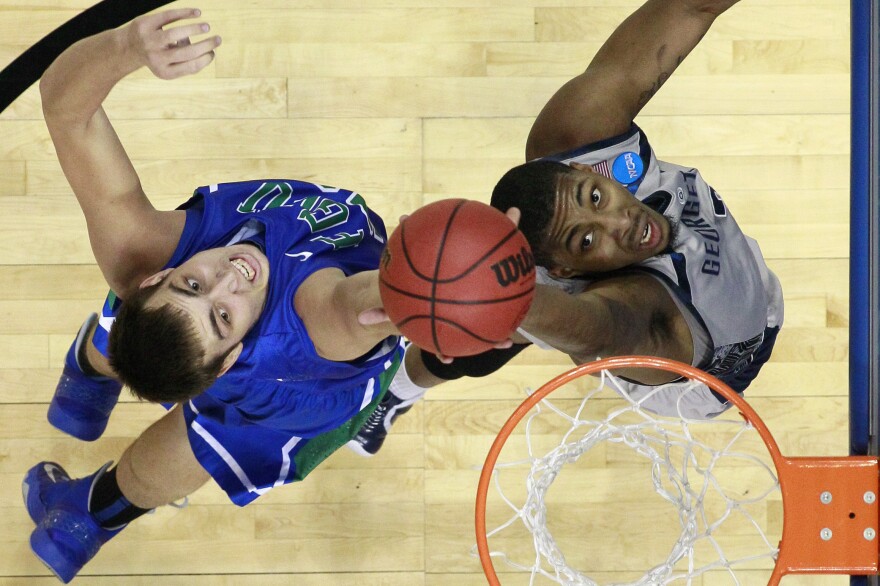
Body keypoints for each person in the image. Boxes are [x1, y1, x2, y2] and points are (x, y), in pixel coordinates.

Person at [24, 9, 427, 582]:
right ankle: (86, 516)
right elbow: (371, 304)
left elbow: (65, 109)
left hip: (241, 359)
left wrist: (125, 47)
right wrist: (419, 273)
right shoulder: (322, 320)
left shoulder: (140, 253)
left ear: (155, 277)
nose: (228, 278)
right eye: (219, 314)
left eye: (191, 283)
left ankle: (83, 395)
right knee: (211, 441)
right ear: (230, 356)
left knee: (149, 337)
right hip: (317, 400)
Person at [347, 0, 783, 456]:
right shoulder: (646, 316)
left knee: (498, 312)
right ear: (567, 270)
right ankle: (399, 387)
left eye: (594, 196)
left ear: (580, 168)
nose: (622, 222)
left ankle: (409, 369)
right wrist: (489, 297)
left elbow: (691, 8)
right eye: (588, 240)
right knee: (504, 316)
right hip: (712, 370)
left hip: (735, 281)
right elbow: (600, 328)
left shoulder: (576, 136)